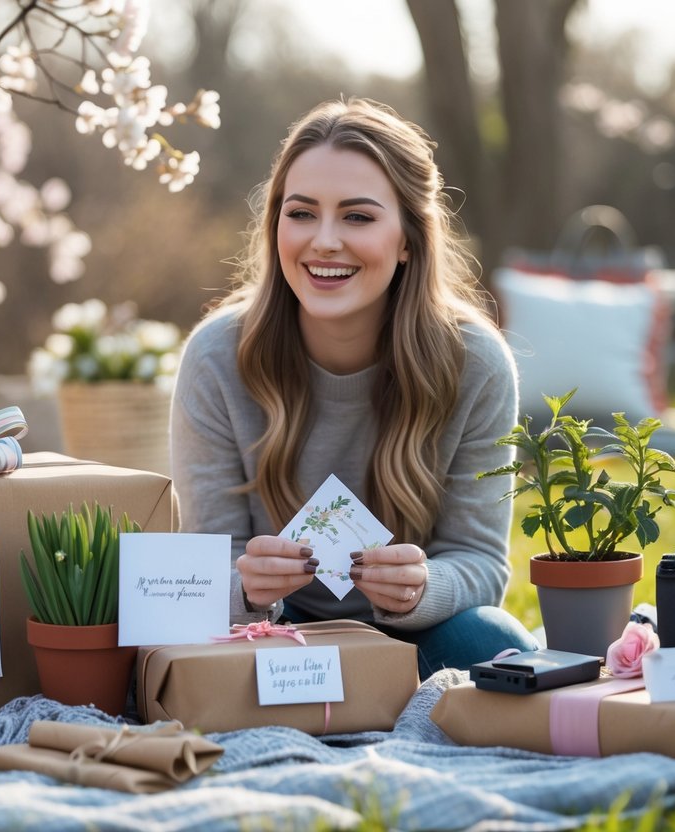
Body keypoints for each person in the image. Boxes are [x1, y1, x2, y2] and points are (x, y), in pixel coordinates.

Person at [170, 97, 538, 678]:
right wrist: (248, 586)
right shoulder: (217, 357)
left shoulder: (476, 362)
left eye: (358, 217)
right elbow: (203, 570)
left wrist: (424, 588)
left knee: (495, 641)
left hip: (411, 642)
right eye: (301, 213)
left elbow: (481, 563)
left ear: (410, 239)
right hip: (268, 643)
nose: (324, 241)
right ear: (274, 225)